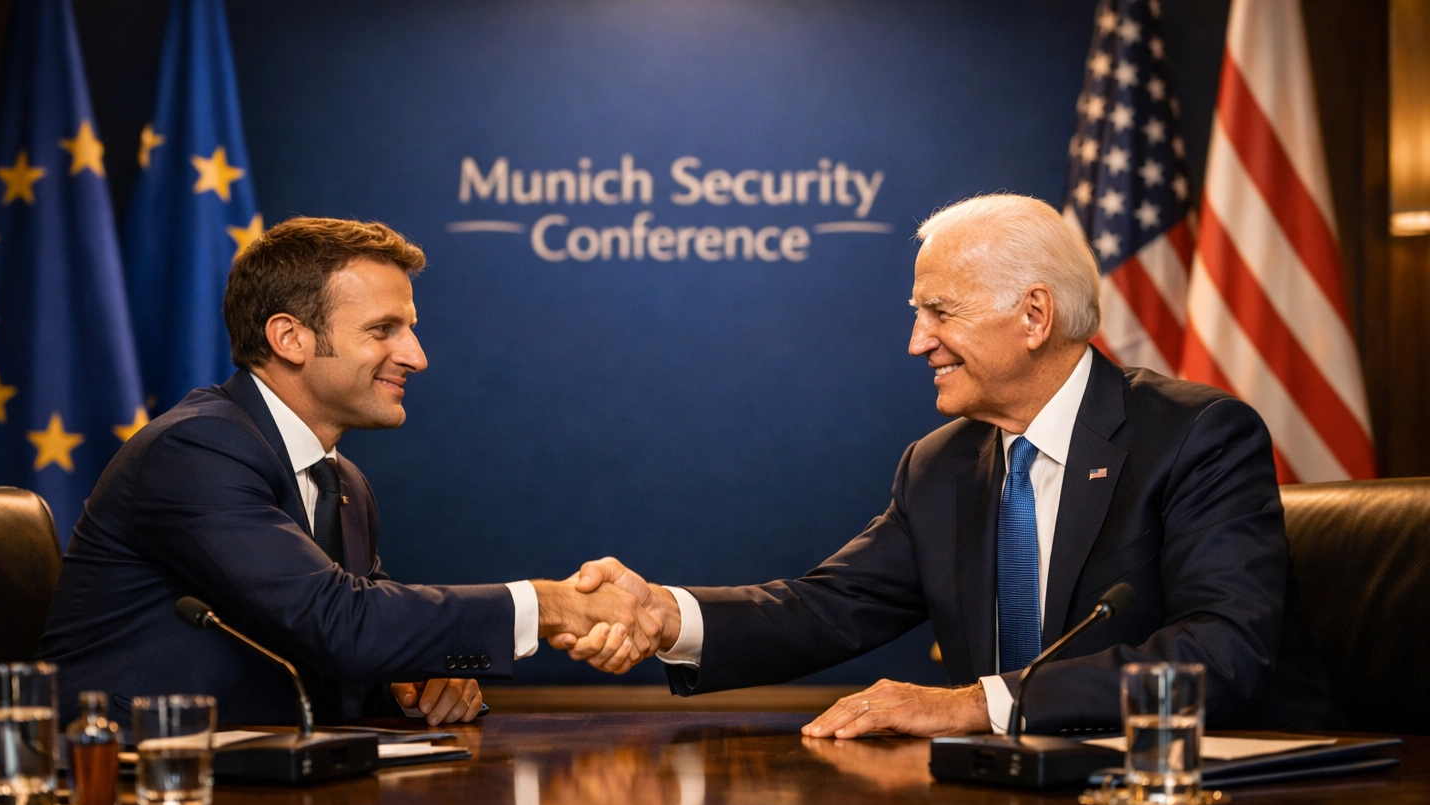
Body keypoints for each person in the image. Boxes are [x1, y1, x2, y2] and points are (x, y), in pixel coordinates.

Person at [552, 194, 1337, 739]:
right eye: (916, 314)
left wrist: (973, 705)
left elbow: (1220, 652)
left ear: (1034, 315)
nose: (917, 343)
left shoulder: (1197, 436)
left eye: (941, 313)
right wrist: (663, 616)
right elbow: (826, 608)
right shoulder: (940, 467)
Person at [41, 217, 661, 726]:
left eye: (410, 330)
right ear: (290, 337)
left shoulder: (345, 484)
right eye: (382, 330)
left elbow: (343, 644)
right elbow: (339, 622)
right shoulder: (196, 450)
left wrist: (410, 680)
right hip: (124, 799)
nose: (416, 357)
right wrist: (549, 605)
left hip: (271, 798)